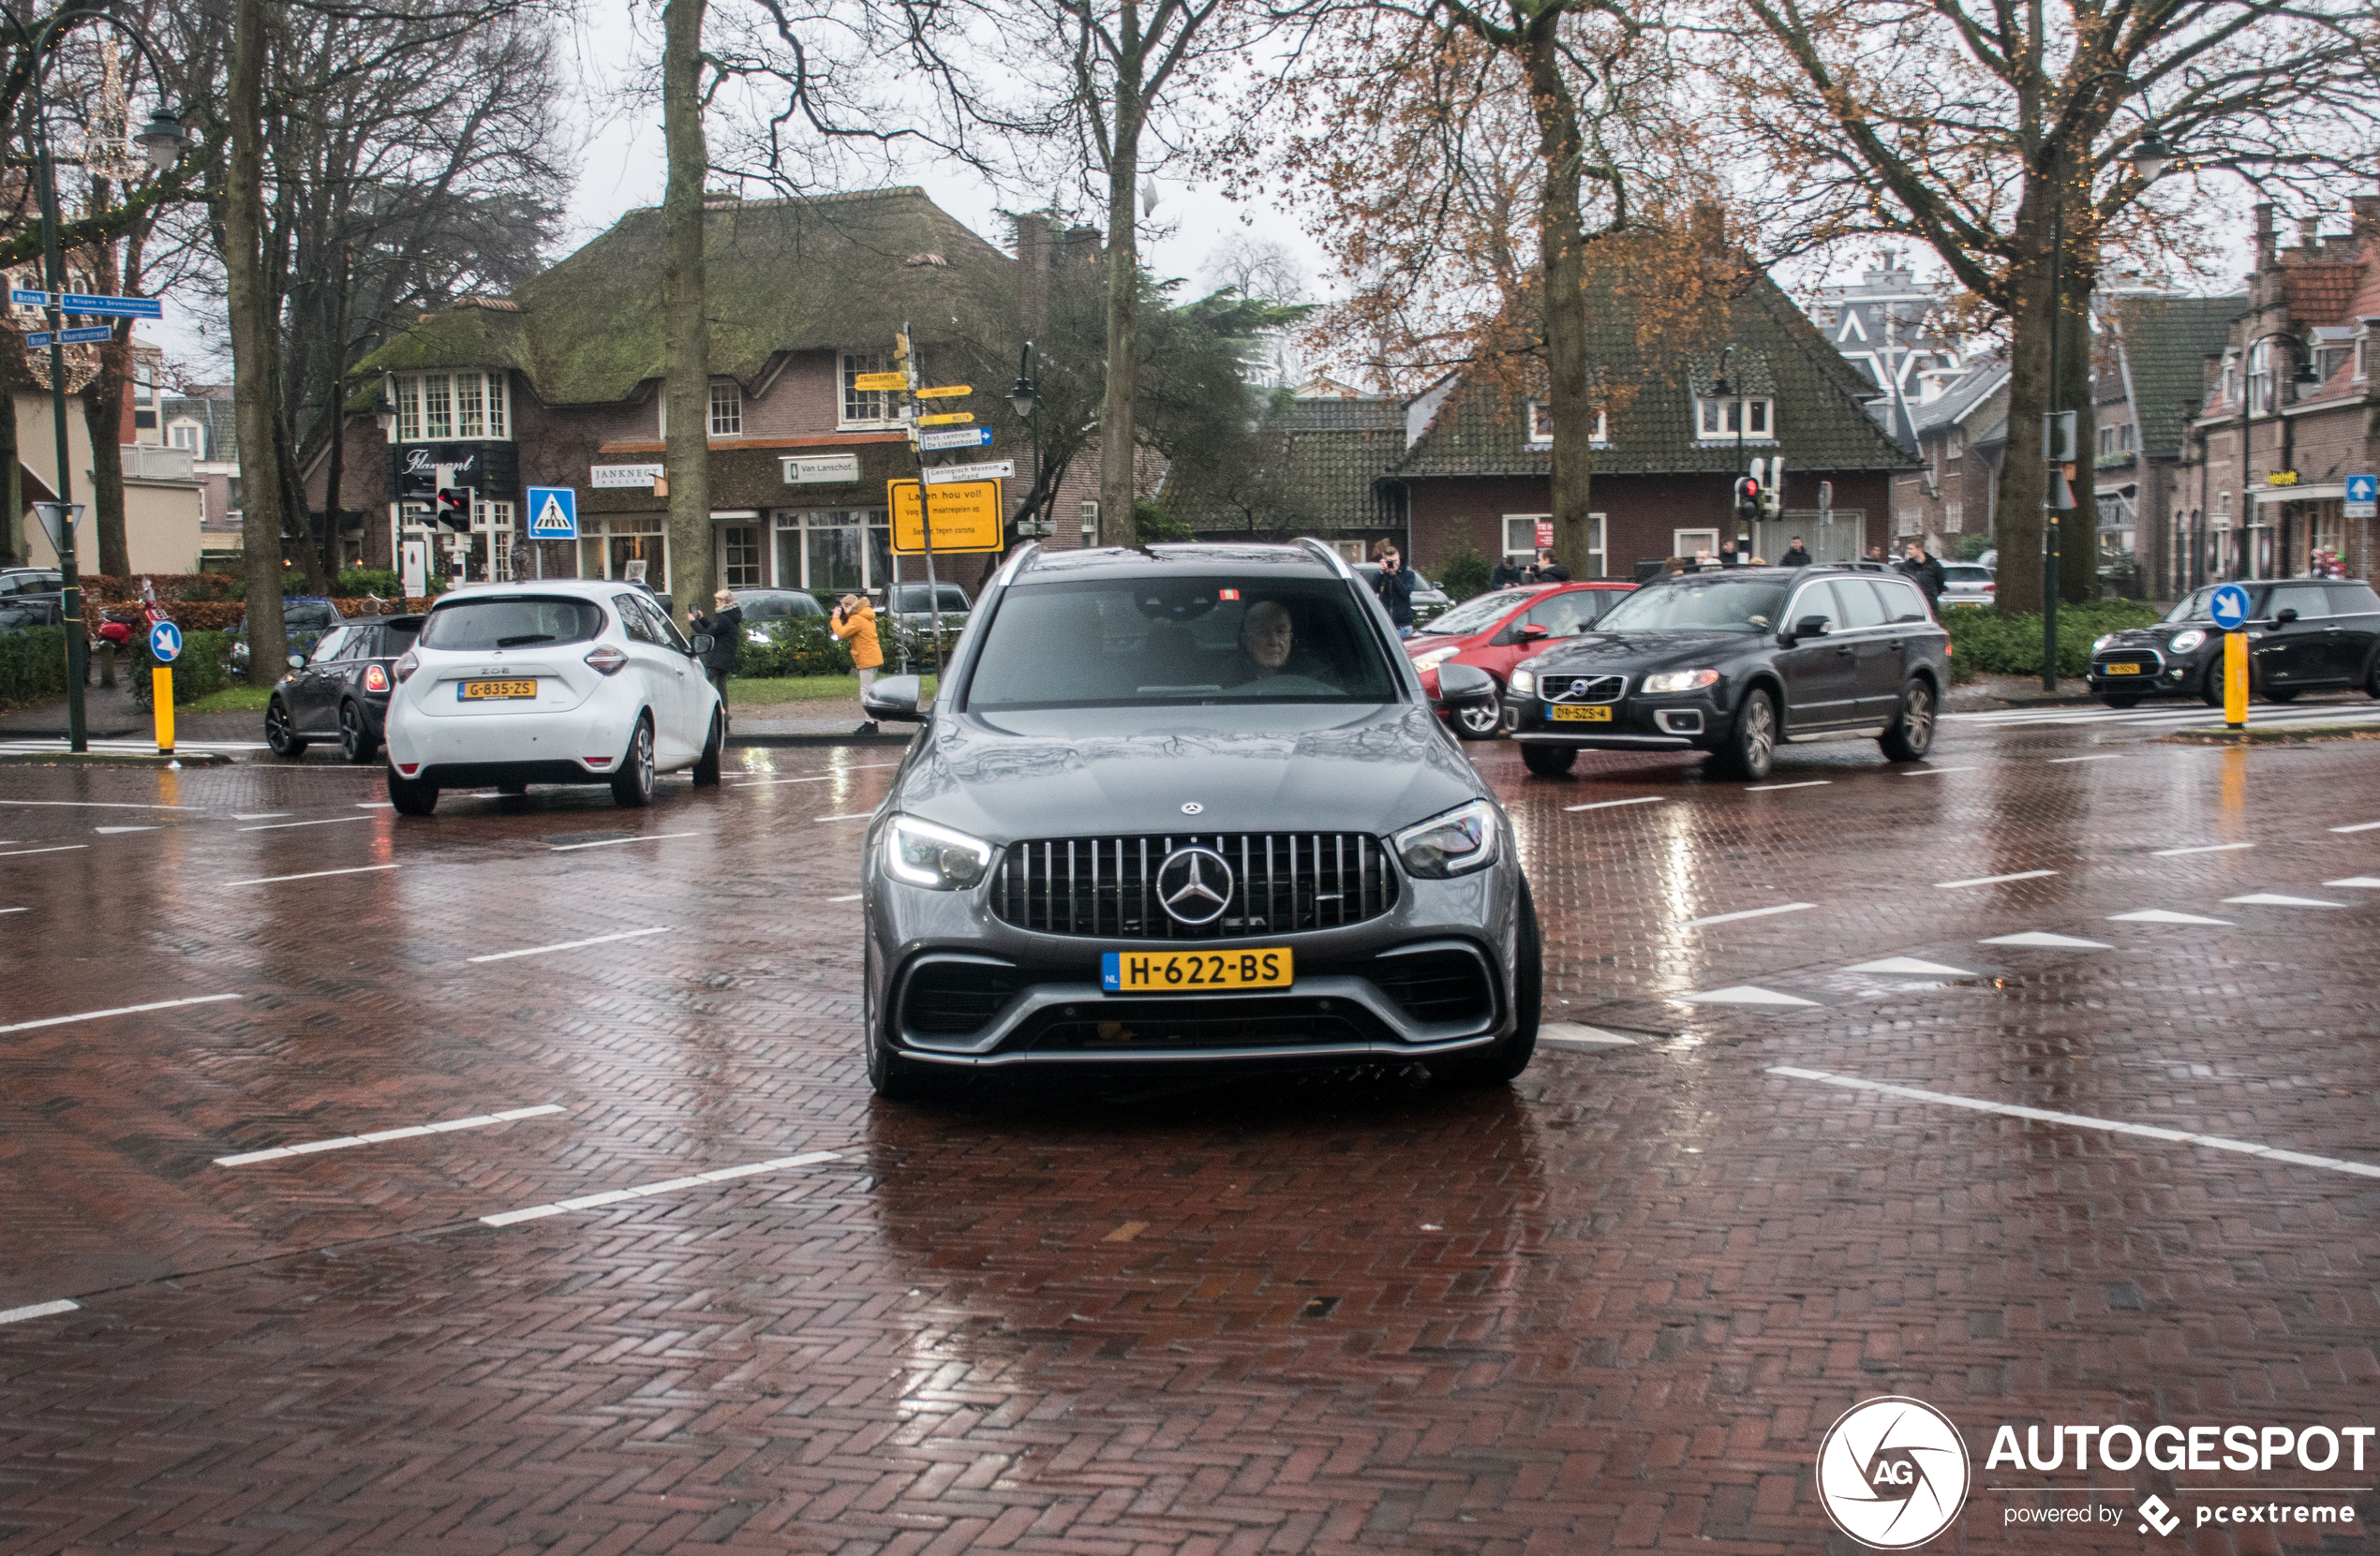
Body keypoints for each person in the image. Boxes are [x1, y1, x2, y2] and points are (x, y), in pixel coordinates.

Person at [686, 587, 744, 714]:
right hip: (727, 656)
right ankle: (725, 716)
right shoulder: (730, 615)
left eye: (717, 601)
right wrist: (702, 619)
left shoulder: (723, 618)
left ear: (723, 601)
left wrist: (693, 622)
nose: (716, 603)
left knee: (704, 682)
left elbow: (707, 634)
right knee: (722, 686)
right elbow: (714, 630)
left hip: (719, 657)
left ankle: (709, 712)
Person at [830, 590, 884, 706]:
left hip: (866, 658)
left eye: (844, 608)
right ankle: (871, 721)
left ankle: (870, 721)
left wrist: (835, 618)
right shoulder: (865, 615)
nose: (844, 611)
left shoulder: (857, 619)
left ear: (849, 607)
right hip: (873, 656)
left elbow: (841, 633)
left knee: (865, 691)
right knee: (869, 689)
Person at [1373, 542, 1418, 636]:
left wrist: (1394, 575)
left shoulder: (1408, 574)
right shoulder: (1381, 575)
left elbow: (1405, 593)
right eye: (1390, 561)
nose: (1394, 564)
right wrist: (1381, 573)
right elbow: (1373, 591)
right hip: (1386, 624)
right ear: (1385, 561)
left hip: (1402, 625)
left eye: (1396, 560)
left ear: (1399, 557)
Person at [1897, 541, 1946, 607]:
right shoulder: (1905, 567)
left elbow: (1940, 584)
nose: (1908, 551)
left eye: (1911, 549)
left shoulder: (1934, 565)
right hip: (1911, 604)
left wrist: (1932, 596)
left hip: (1930, 604)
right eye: (1907, 549)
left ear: (1920, 549)